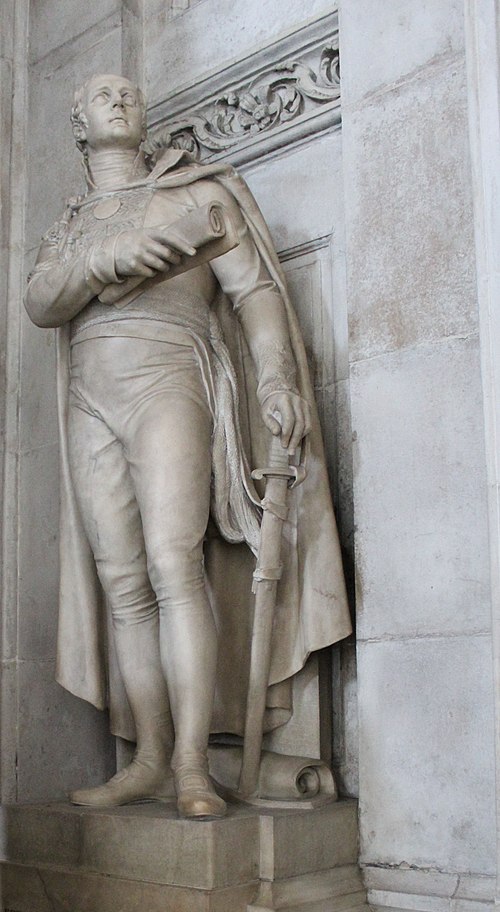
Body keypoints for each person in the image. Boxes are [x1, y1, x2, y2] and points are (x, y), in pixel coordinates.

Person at [25, 74, 352, 819]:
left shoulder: (195, 195)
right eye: (101, 93)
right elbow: (42, 301)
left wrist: (275, 379)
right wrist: (104, 264)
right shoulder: (69, 225)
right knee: (123, 581)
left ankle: (193, 764)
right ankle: (147, 759)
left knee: (177, 563)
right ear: (79, 124)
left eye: (129, 92)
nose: (119, 98)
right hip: (89, 397)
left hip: (171, 376)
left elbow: (257, 292)